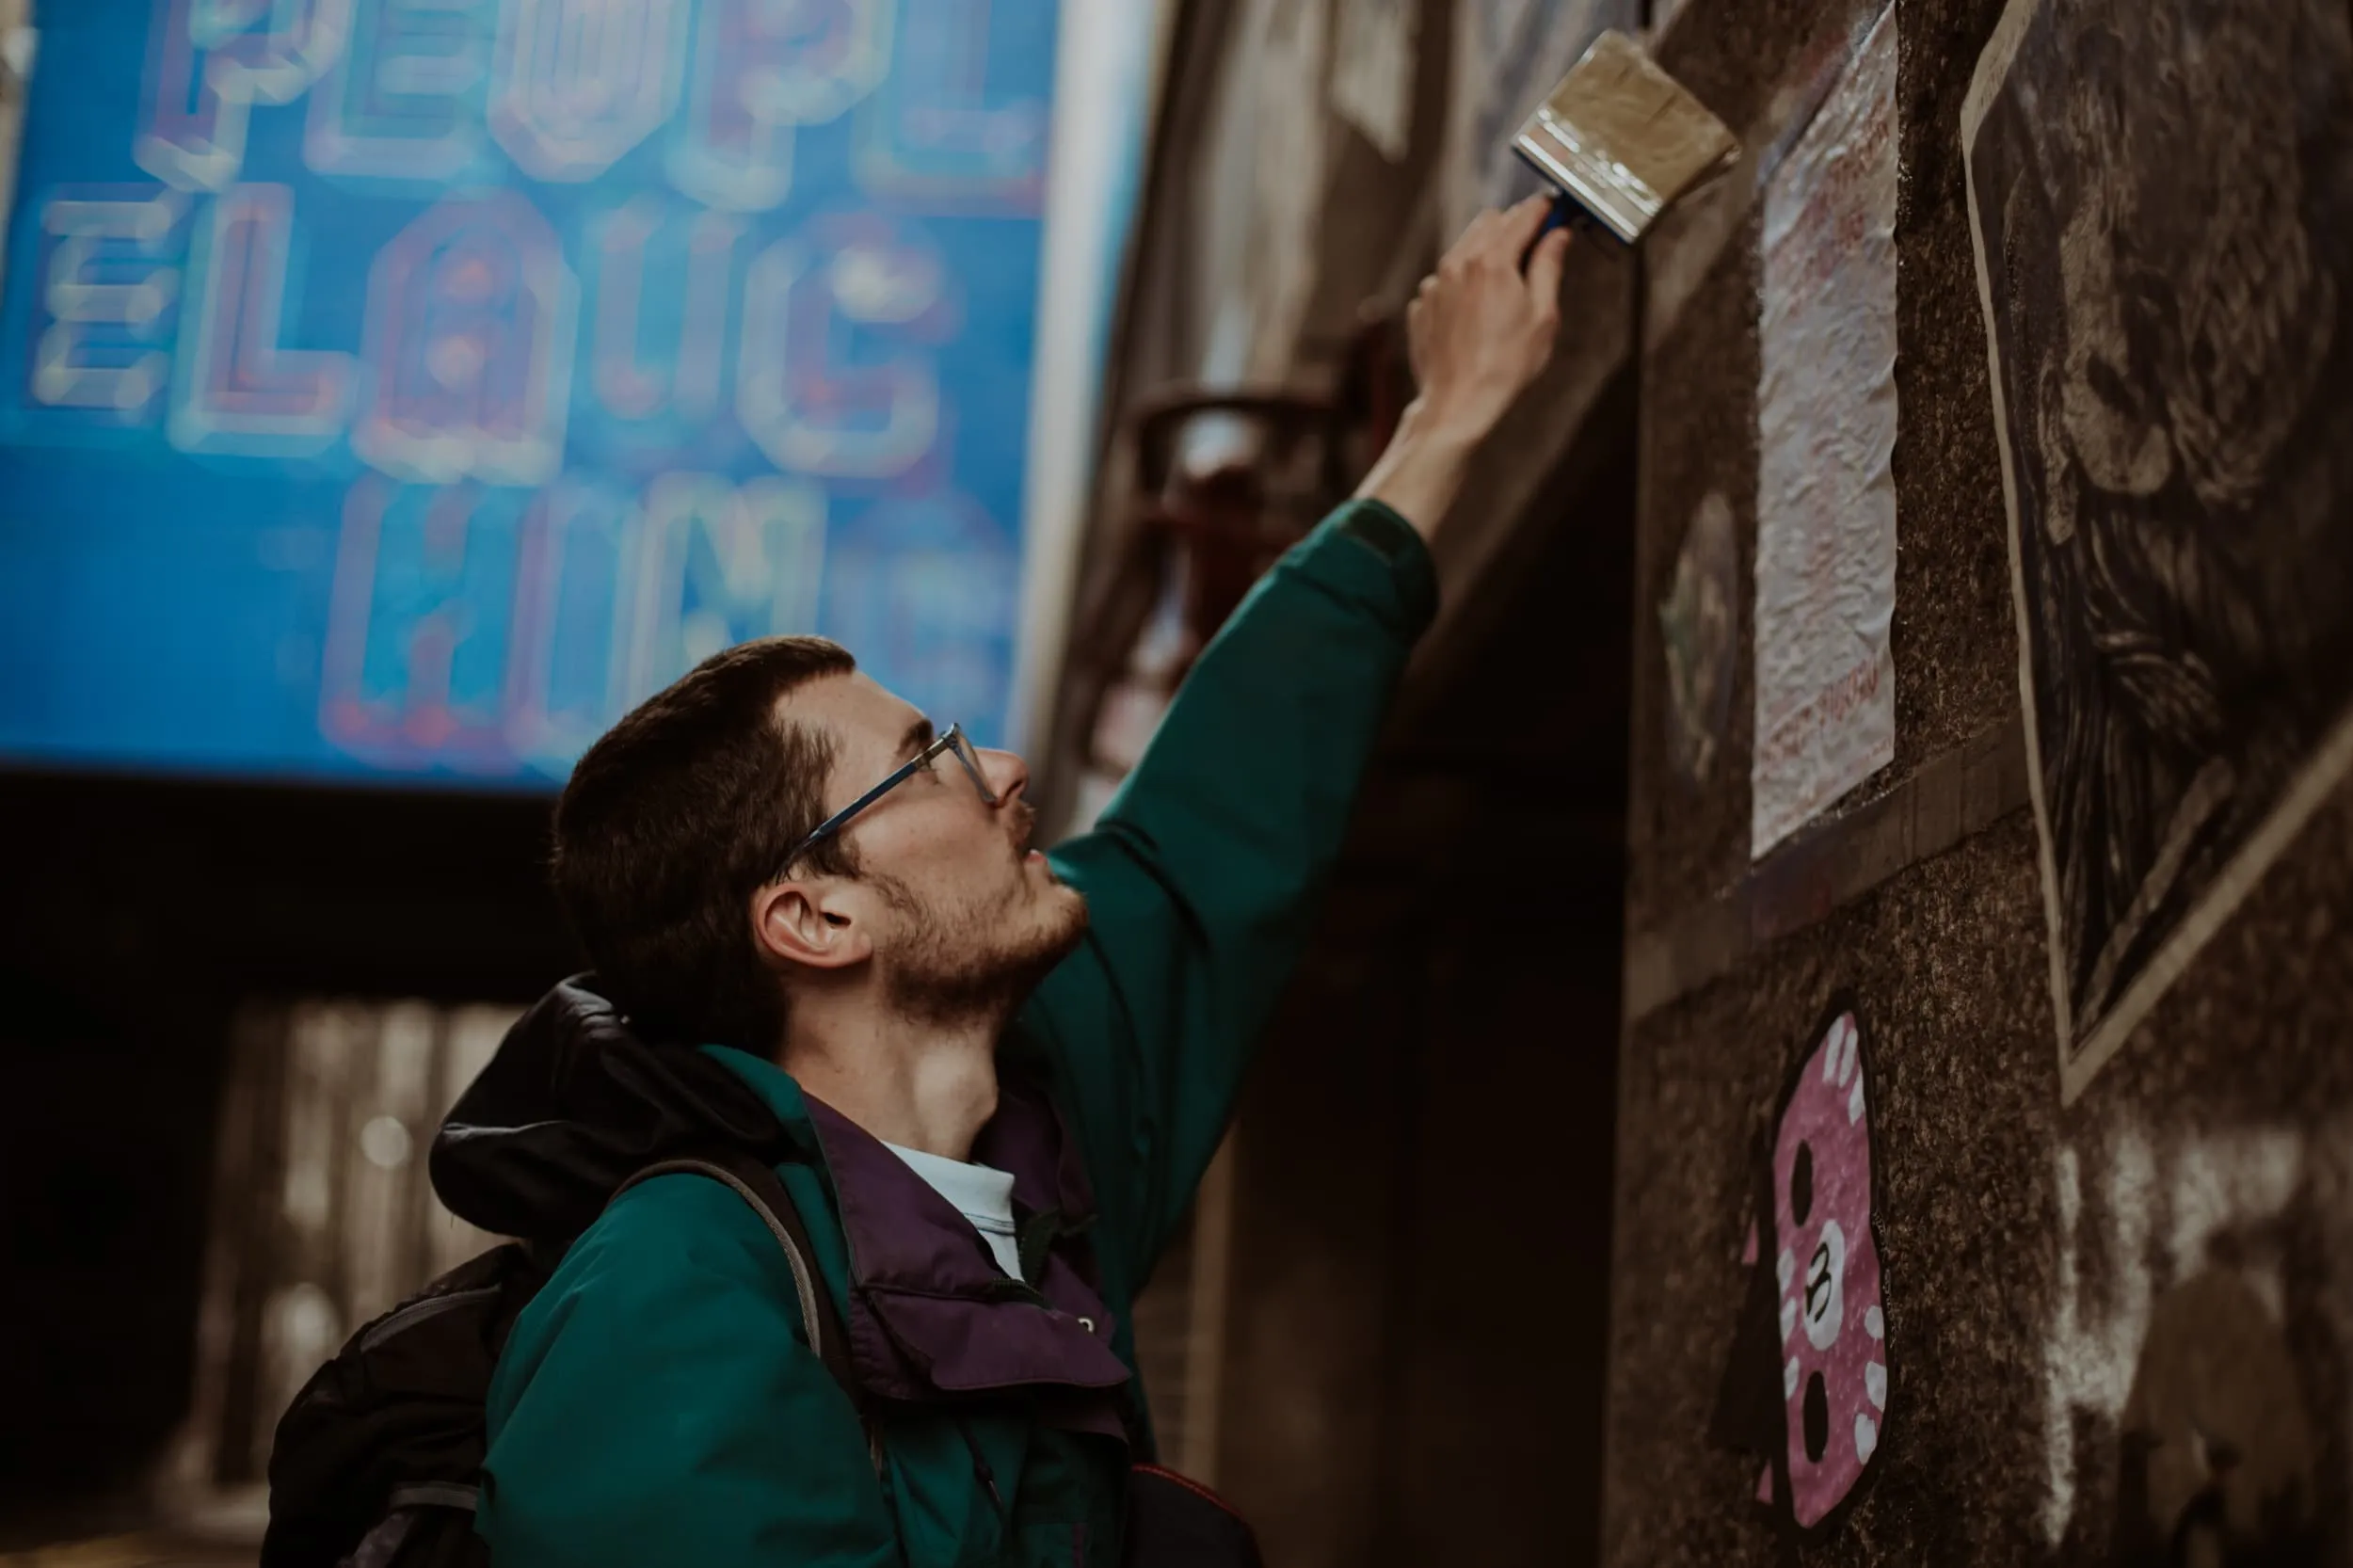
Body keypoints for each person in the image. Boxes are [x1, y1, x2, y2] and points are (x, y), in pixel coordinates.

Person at [429, 196, 1572, 1567]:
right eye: (932, 762)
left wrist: (1449, 420)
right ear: (814, 914)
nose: (1010, 768)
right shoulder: (670, 1304)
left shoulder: (1043, 1121)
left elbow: (1209, 816)